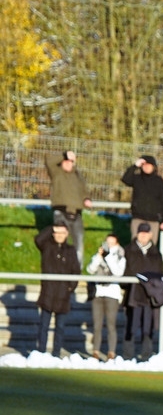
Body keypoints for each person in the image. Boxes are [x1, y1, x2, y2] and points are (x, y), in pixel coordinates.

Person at [34, 222, 80, 356]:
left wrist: (71, 287)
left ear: (67, 234)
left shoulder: (71, 250)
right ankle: (41, 352)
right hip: (48, 293)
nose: (59, 235)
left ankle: (56, 353)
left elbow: (76, 270)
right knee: (44, 325)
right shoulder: (47, 246)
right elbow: (38, 239)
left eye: (62, 233)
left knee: (60, 327)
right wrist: (51, 228)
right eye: (57, 233)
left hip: (63, 294)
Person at [123, 222, 163, 361]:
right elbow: (125, 271)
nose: (143, 235)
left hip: (149, 296)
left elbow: (160, 272)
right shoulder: (129, 250)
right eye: (141, 233)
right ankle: (128, 355)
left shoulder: (156, 254)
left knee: (148, 326)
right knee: (131, 325)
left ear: (151, 235)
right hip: (133, 294)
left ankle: (146, 355)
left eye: (146, 233)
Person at [45, 150, 92, 266]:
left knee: (78, 243)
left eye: (70, 161)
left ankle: (77, 269)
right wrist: (64, 155)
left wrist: (86, 198)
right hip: (61, 212)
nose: (68, 163)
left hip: (77, 213)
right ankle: (59, 266)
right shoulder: (57, 173)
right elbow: (49, 161)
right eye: (65, 161)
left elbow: (84, 190)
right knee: (60, 242)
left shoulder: (77, 175)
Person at [86, 233, 126, 360]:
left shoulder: (120, 257)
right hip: (98, 292)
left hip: (112, 293)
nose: (108, 246)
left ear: (117, 244)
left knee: (111, 324)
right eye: (107, 243)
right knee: (97, 325)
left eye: (111, 243)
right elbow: (90, 269)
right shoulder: (100, 255)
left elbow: (118, 273)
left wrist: (108, 257)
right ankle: (96, 351)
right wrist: (98, 257)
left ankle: (111, 352)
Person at [122, 155, 163, 240]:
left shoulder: (158, 181)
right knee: (136, 243)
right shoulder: (137, 179)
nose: (147, 167)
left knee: (151, 244)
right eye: (144, 165)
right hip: (138, 218)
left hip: (153, 219)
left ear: (154, 167)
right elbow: (125, 179)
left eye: (149, 165)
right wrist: (135, 166)